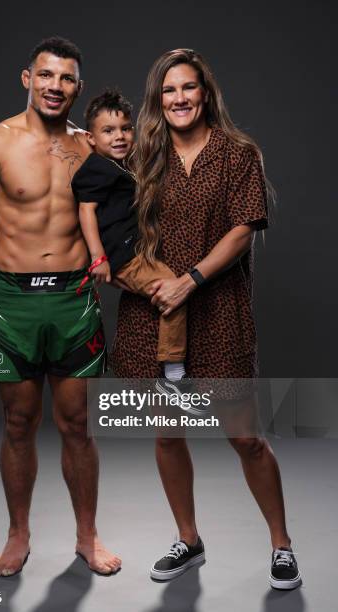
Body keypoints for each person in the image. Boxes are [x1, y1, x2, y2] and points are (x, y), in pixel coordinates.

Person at [111, 48, 301, 589]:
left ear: (205, 93)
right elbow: (96, 182)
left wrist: (190, 280)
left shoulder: (238, 154)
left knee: (246, 438)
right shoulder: (141, 154)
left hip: (217, 311)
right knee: (168, 435)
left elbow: (244, 230)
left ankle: (282, 545)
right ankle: (189, 540)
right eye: (168, 91)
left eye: (187, 88)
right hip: (154, 313)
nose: (178, 99)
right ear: (157, 99)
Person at [0, 36, 121, 577]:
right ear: (28, 78)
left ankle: (87, 537)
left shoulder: (91, 146)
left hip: (73, 300)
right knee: (18, 422)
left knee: (77, 425)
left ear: (78, 87)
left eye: (66, 78)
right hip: (14, 302)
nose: (55, 87)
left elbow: (134, 208)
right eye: (46, 75)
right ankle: (18, 534)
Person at [72, 88, 191, 389]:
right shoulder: (96, 168)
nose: (119, 137)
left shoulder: (121, 164)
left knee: (167, 290)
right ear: (90, 138)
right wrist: (98, 257)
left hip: (134, 252)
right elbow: (86, 212)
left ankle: (168, 366)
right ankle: (172, 366)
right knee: (172, 289)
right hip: (123, 256)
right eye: (108, 131)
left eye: (126, 129)